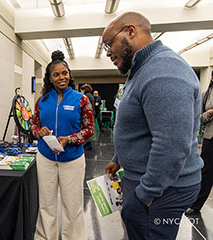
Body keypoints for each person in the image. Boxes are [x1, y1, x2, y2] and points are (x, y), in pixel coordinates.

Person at [103, 12, 203, 240]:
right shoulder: (143, 69)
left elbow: (172, 145)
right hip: (151, 184)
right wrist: (119, 157)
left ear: (130, 31)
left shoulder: (164, 70)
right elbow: (140, 123)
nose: (108, 52)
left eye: (109, 43)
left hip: (162, 191)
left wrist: (145, 195)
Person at [31, 50, 94, 240]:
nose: (61, 77)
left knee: (72, 205)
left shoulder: (80, 99)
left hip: (72, 159)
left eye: (64, 73)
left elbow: (89, 128)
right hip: (46, 158)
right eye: (56, 74)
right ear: (50, 78)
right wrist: (39, 132)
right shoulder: (42, 100)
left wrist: (70, 139)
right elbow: (34, 125)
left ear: (69, 74)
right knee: (46, 204)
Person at [186, 73, 213, 214]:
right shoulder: (206, 94)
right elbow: (199, 118)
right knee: (206, 173)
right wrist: (209, 113)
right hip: (210, 137)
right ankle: (196, 204)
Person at [80, 84, 95, 150]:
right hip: (92, 113)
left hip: (87, 115)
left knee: (86, 129)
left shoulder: (85, 97)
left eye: (81, 90)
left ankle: (88, 144)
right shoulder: (91, 96)